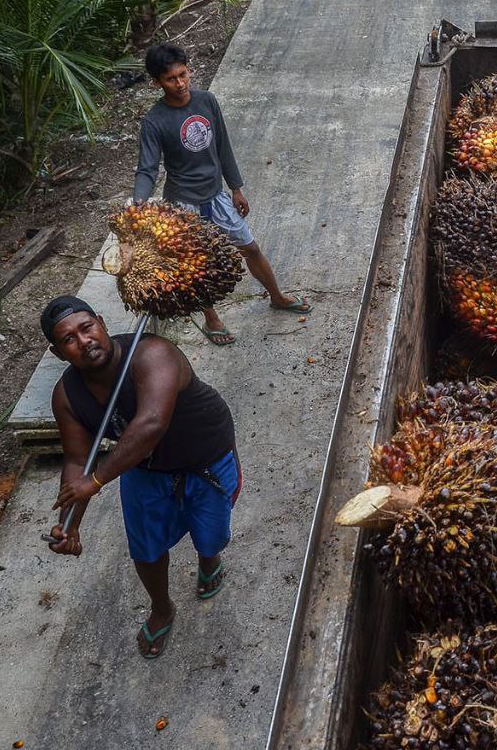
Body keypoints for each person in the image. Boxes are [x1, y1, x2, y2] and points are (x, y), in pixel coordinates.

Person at [43, 296, 241, 659]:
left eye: (87, 328)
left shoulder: (152, 353)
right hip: (144, 466)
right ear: (58, 353)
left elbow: (150, 424)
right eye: (69, 339)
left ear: (101, 322)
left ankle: (209, 561)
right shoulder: (67, 396)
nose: (84, 341)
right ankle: (162, 607)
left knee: (211, 533)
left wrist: (98, 480)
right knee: (146, 548)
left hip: (204, 454)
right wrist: (69, 522)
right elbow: (77, 461)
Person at [133, 42, 310, 345]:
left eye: (183, 75)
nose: (180, 84)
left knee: (250, 248)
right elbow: (147, 169)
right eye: (171, 79)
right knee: (197, 265)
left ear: (189, 70)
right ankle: (212, 318)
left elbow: (223, 147)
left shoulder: (206, 102)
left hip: (216, 196)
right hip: (183, 203)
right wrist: (139, 202)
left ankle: (277, 296)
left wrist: (236, 188)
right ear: (157, 83)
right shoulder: (154, 122)